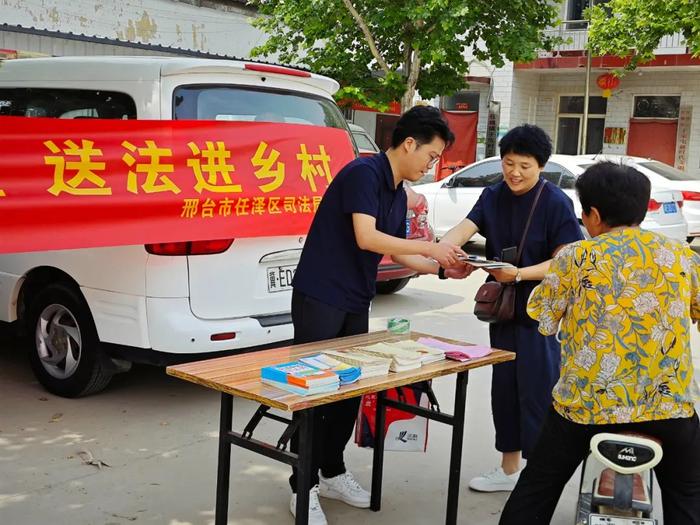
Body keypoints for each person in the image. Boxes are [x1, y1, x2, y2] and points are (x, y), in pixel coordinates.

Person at [289, 105, 466, 525]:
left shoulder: (397, 189)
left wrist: (446, 266)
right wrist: (431, 247)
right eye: (431, 155)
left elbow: (394, 248)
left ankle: (331, 471)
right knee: (313, 392)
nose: (432, 164)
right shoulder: (363, 174)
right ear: (409, 143)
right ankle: (302, 485)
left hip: (354, 298)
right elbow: (366, 237)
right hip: (320, 295)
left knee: (349, 387)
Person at [499, 162, 700, 524]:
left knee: (537, 487)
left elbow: (543, 319)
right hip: (669, 406)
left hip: (585, 407)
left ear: (592, 214)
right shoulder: (682, 256)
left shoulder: (576, 257)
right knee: (688, 493)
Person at [438, 124, 583, 492]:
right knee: (504, 391)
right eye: (508, 163)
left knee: (537, 393)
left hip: (541, 316)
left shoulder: (556, 202)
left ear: (541, 166)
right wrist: (443, 252)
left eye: (524, 165)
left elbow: (565, 260)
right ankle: (507, 470)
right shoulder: (492, 195)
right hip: (502, 312)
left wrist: (519, 274)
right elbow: (461, 230)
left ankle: (538, 478)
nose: (514, 173)